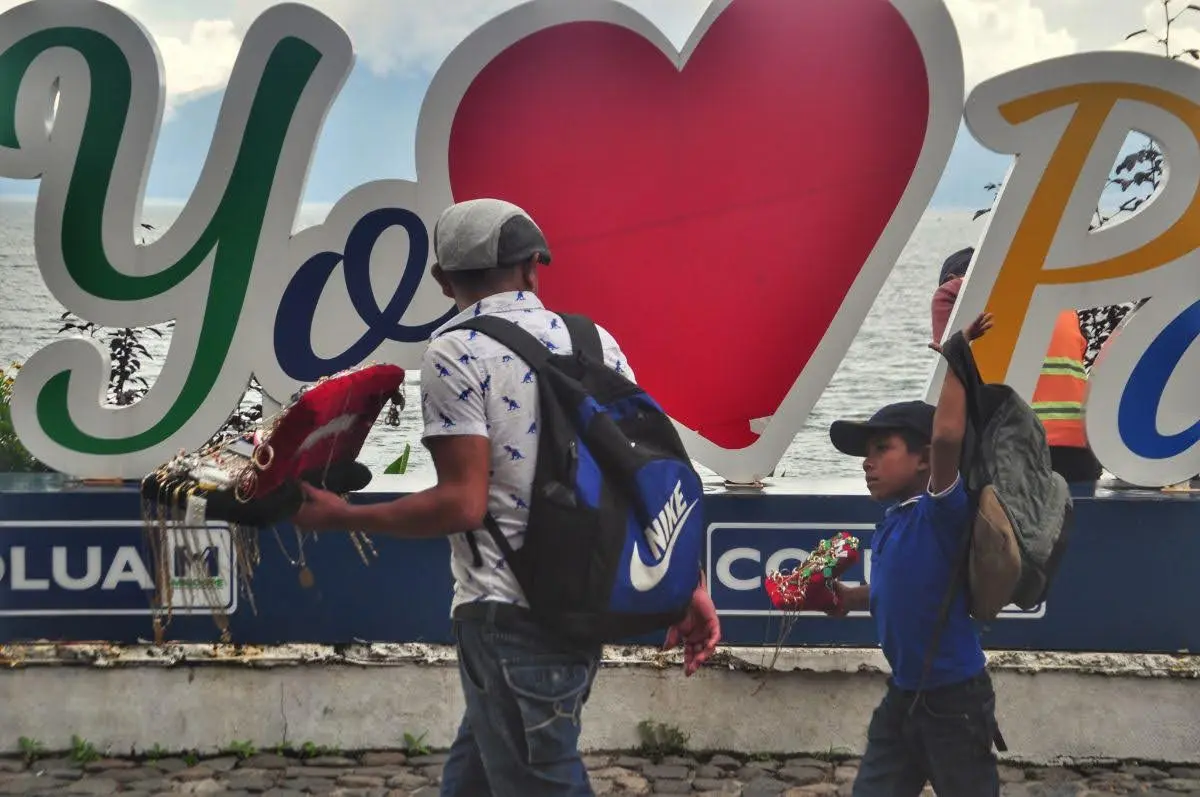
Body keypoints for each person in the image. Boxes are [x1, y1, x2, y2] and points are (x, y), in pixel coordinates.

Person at [291, 197, 721, 796]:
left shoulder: (455, 350)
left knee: (540, 780)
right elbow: (638, 475)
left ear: (443, 282)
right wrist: (688, 585)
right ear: (532, 266)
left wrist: (343, 516)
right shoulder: (594, 341)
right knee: (475, 781)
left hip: (510, 613)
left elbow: (463, 503)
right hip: (581, 600)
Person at [826, 312, 1002, 797]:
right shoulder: (894, 522)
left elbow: (948, 436)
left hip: (955, 700)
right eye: (867, 451)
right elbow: (894, 590)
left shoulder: (940, 512)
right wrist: (847, 596)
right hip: (904, 694)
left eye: (883, 448)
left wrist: (956, 354)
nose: (868, 460)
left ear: (924, 459)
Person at [931, 247, 1101, 483]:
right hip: (1081, 447)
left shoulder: (963, 288)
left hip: (1021, 447)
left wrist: (949, 347)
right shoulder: (1058, 304)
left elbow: (947, 297)